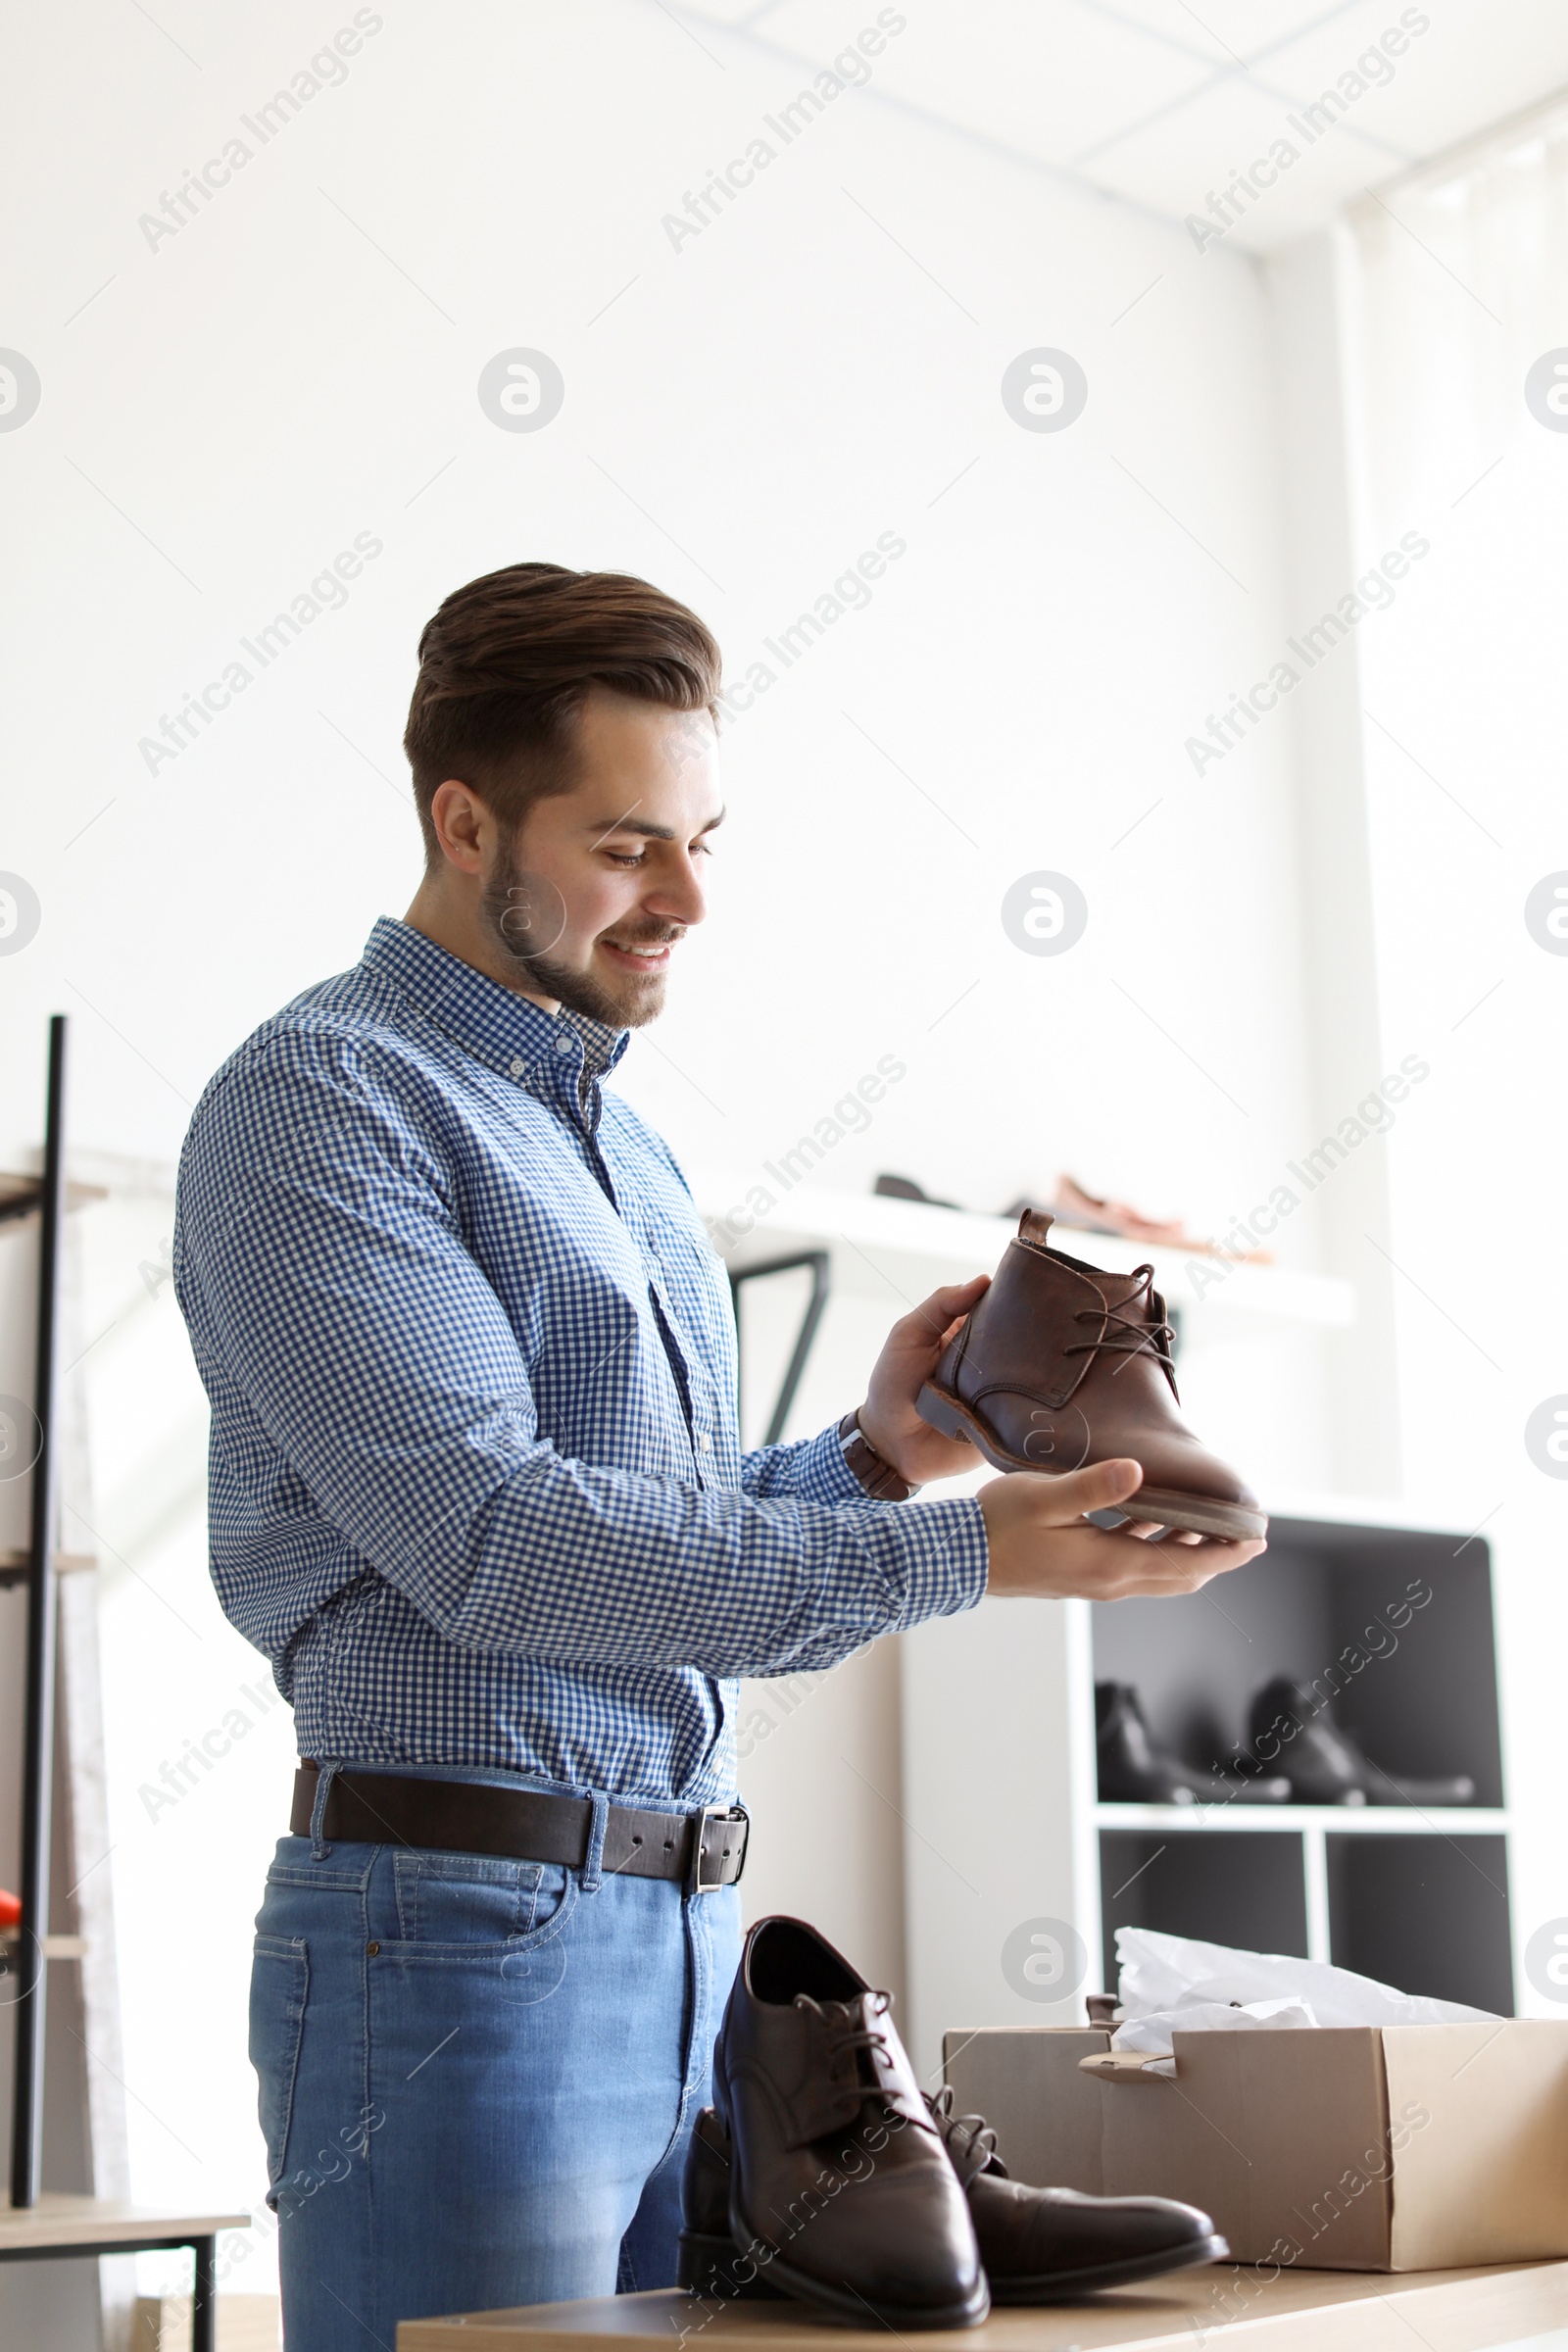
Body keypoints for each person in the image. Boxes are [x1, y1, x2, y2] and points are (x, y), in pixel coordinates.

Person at [172, 562, 1262, 2350]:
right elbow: (502, 1548)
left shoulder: (633, 1158)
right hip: (451, 1944)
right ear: (464, 823)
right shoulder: (323, 1102)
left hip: (681, 1934)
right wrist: (975, 1555)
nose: (684, 897)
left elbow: (641, 1539)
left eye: (703, 840)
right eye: (625, 846)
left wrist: (874, 1463)